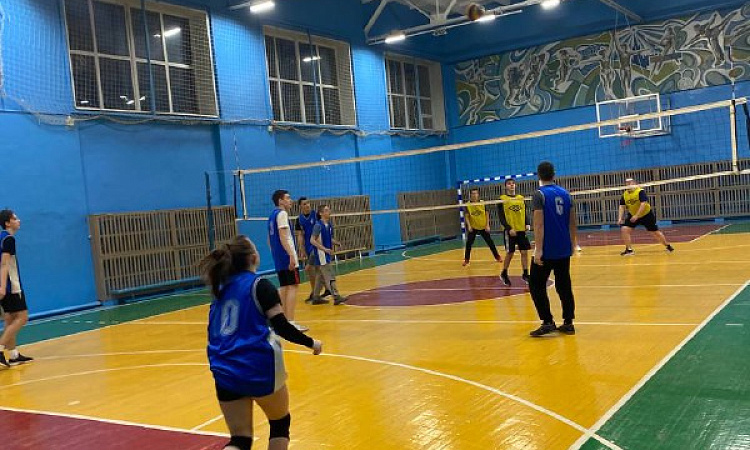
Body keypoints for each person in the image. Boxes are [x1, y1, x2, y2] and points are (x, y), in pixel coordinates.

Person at [200, 235, 322, 450]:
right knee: (279, 424)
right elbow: (281, 326)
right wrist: (311, 342)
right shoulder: (260, 286)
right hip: (257, 367)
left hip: (224, 369)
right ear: (253, 257)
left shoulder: (221, 290)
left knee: (240, 439)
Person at [528, 162, 577, 337]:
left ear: (538, 175)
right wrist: (573, 244)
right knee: (564, 285)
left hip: (547, 249)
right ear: (554, 174)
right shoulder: (566, 194)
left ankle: (547, 321)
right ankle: (568, 323)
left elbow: (538, 225)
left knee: (536, 284)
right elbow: (572, 222)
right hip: (563, 247)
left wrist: (538, 250)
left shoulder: (539, 195)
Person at [268, 190, 307, 332]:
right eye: (288, 198)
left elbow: (269, 240)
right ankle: (290, 322)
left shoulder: (272, 216)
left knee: (284, 287)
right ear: (280, 201)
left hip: (278, 256)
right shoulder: (282, 214)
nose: (291, 200)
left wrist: (276, 254)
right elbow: (283, 236)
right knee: (293, 286)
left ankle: (279, 321)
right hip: (287, 255)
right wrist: (291, 255)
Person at [0, 209, 33, 367]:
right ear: (7, 223)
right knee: (22, 317)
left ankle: (13, 355)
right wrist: (2, 286)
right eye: (15, 218)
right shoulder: (9, 239)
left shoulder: (1, 238)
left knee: (10, 319)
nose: (18, 220)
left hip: (5, 285)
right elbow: (4, 264)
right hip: (11, 285)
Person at [618, 178, 674, 256]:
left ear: (634, 183)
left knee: (655, 232)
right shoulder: (625, 194)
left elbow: (643, 204)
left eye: (630, 183)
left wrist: (637, 215)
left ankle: (668, 246)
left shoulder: (640, 191)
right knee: (624, 229)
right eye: (627, 183)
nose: (628, 185)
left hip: (646, 215)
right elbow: (622, 206)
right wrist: (620, 218)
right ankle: (629, 250)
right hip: (633, 215)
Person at [308, 205, 347, 305]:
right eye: (326, 210)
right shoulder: (318, 225)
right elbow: (312, 240)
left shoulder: (329, 225)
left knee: (320, 276)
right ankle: (336, 296)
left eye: (329, 210)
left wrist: (336, 243)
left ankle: (316, 297)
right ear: (321, 213)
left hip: (326, 253)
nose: (328, 211)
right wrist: (324, 249)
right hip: (321, 254)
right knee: (329, 275)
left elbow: (329, 238)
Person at [294, 198, 330, 303]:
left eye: (308, 203)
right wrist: (302, 249)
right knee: (315, 270)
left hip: (318, 246)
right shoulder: (299, 220)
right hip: (309, 247)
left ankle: (316, 293)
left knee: (311, 269)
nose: (307, 205)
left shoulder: (316, 215)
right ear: (300, 206)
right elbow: (300, 236)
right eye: (305, 204)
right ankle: (323, 290)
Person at [497, 179, 531, 286]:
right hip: (510, 230)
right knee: (510, 253)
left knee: (524, 252)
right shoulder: (502, 199)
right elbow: (501, 216)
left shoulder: (520, 198)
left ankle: (525, 274)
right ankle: (504, 273)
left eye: (513, 183)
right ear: (505, 186)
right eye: (509, 184)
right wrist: (508, 228)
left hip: (521, 229)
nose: (511, 185)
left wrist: (527, 223)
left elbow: (524, 212)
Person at [463, 188, 502, 266]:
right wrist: (469, 226)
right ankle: (466, 260)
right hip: (473, 227)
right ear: (470, 195)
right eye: (473, 193)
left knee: (490, 242)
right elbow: (467, 216)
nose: (474, 195)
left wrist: (487, 225)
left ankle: (497, 257)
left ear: (478, 195)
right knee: (468, 244)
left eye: (476, 193)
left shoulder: (483, 203)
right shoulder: (467, 205)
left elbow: (487, 214)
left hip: (483, 226)